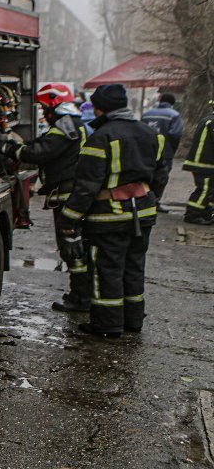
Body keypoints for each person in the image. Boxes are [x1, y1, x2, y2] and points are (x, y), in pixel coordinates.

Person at [59, 83, 169, 337]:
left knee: (108, 268)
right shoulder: (151, 134)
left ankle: (107, 324)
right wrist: (148, 200)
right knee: (134, 265)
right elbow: (161, 175)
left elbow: (86, 186)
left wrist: (69, 218)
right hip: (142, 214)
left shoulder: (100, 138)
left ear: (100, 109)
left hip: (109, 216)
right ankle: (133, 320)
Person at [0, 83, 90, 312]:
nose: (44, 113)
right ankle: (82, 295)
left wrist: (10, 149)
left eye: (44, 108)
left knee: (71, 247)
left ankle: (81, 298)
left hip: (68, 195)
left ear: (53, 104)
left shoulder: (65, 125)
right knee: (74, 246)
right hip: (70, 192)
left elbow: (41, 152)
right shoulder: (72, 124)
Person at [141, 93, 183, 212]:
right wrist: (173, 149)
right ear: (172, 103)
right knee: (161, 177)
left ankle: (143, 200)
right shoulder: (174, 115)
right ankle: (154, 202)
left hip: (145, 151)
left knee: (146, 175)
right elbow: (176, 134)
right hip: (165, 151)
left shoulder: (147, 114)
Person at [183, 98, 214, 225]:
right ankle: (193, 214)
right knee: (205, 189)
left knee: (209, 189)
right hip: (204, 164)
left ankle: (205, 213)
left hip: (202, 163)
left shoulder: (208, 120)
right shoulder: (212, 122)